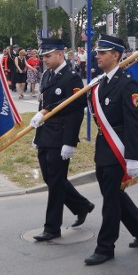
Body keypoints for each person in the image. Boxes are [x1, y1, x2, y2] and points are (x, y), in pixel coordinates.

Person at [83, 34, 138, 266]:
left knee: (110, 200)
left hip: (118, 150)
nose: (97, 55)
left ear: (116, 55)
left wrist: (132, 157)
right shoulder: (100, 82)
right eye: (98, 52)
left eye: (102, 52)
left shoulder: (127, 83)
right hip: (104, 147)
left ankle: (105, 247)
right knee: (113, 195)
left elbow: (133, 123)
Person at [29, 38, 95, 242]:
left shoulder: (72, 78)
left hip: (60, 136)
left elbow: (76, 111)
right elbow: (43, 106)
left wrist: (69, 142)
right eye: (43, 56)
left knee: (56, 183)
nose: (44, 60)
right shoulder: (48, 75)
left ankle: (52, 228)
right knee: (50, 179)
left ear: (60, 54)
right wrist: (37, 134)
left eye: (48, 56)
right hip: (45, 133)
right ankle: (81, 205)